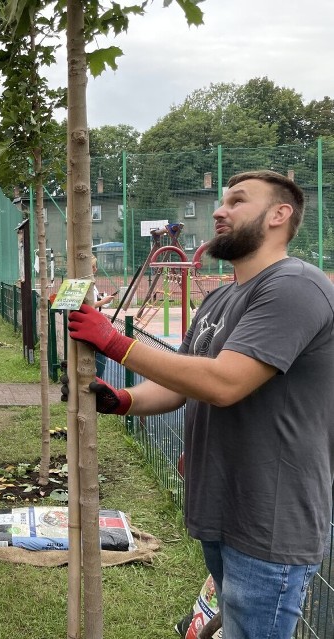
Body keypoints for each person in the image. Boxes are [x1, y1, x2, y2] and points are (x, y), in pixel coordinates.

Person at [66, 170, 334, 639]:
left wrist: (114, 342)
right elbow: (183, 381)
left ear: (279, 214)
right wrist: (123, 399)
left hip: (270, 518)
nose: (218, 210)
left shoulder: (295, 286)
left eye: (236, 201)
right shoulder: (221, 298)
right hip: (221, 504)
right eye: (221, 201)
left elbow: (225, 382)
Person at [90, 256, 115, 379]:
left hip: (94, 321)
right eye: (93, 267)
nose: (95, 269)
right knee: (101, 354)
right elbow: (88, 305)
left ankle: (97, 379)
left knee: (100, 354)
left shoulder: (92, 283)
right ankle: (97, 380)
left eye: (95, 267)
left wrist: (102, 299)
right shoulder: (87, 283)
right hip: (91, 325)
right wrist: (102, 301)